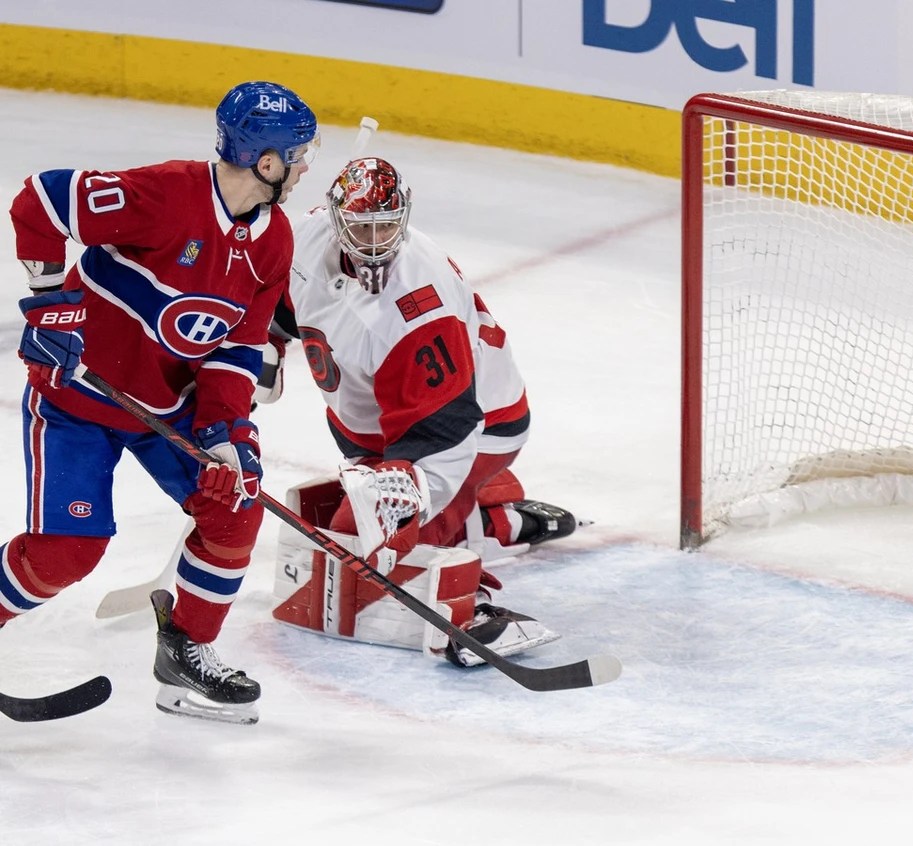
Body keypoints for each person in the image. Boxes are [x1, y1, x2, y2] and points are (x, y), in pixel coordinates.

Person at [2, 80, 319, 724]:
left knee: (234, 506)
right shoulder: (167, 193)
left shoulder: (274, 239)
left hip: (166, 407)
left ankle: (185, 657)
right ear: (266, 161)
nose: (305, 166)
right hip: (78, 398)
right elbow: (39, 201)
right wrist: (49, 302)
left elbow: (238, 345)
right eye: (298, 153)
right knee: (66, 554)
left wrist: (227, 431)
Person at [262, 156, 575, 665]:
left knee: (359, 541)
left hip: (472, 426)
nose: (374, 241)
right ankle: (500, 519)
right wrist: (267, 344)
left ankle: (474, 605)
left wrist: (399, 504)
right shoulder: (307, 236)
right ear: (336, 219)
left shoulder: (417, 310)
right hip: (376, 423)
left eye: (386, 227)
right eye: (362, 228)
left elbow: (446, 433)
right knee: (356, 541)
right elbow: (285, 297)